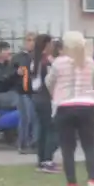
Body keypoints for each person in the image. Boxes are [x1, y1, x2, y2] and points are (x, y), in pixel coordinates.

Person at [45, 32, 94, 186]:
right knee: (89, 145)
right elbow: (93, 82)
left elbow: (49, 82)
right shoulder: (91, 62)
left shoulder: (59, 63)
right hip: (86, 105)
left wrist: (56, 94)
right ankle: (93, 179)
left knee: (67, 146)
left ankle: (72, 184)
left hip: (65, 105)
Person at [29, 34, 60, 173]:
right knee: (51, 130)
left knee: (42, 129)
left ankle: (41, 160)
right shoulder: (47, 62)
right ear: (46, 44)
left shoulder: (34, 60)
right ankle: (48, 160)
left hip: (37, 97)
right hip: (47, 98)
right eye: (51, 43)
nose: (53, 46)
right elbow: (50, 82)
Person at [13, 32, 38, 154]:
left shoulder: (38, 57)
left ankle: (34, 143)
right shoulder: (18, 57)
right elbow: (9, 74)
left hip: (36, 92)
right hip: (23, 91)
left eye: (33, 40)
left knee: (35, 118)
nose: (30, 42)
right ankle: (23, 144)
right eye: (28, 40)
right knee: (25, 117)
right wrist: (15, 73)